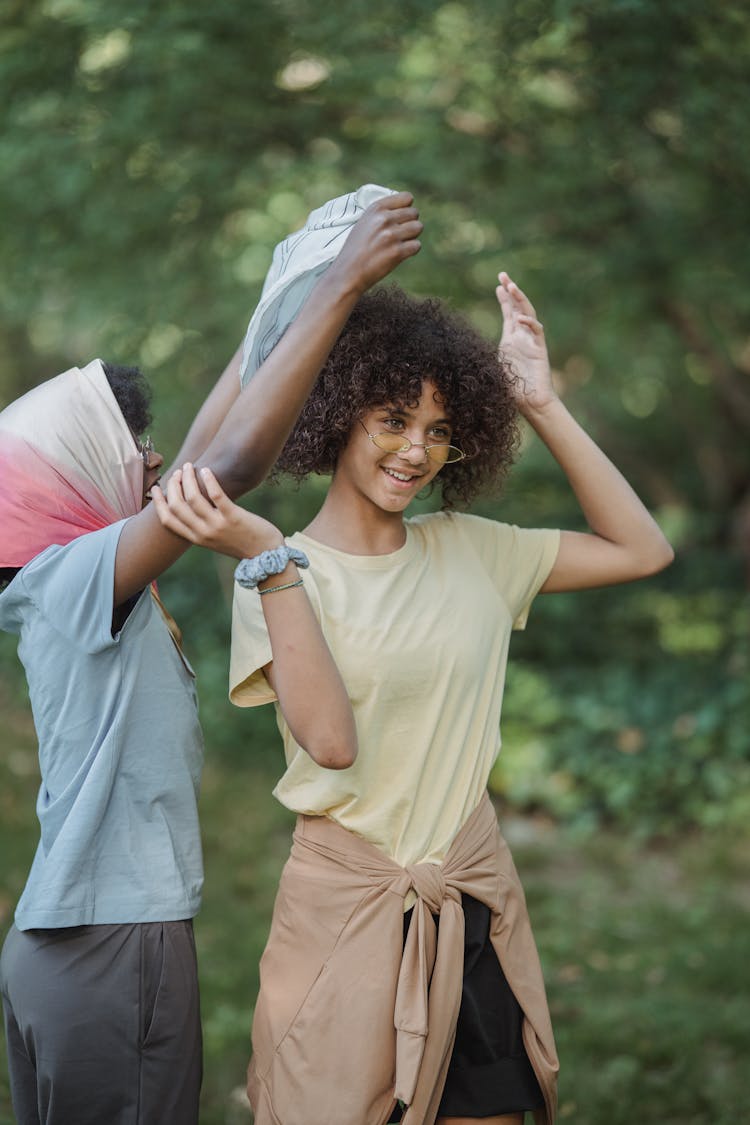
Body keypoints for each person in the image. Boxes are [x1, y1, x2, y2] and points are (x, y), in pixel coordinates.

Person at [153, 272, 674, 1125]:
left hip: (468, 903)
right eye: (392, 419)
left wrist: (540, 401)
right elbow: (328, 740)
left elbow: (642, 548)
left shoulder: (473, 549)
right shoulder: (274, 571)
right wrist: (273, 561)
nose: (415, 450)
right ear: (339, 415)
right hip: (345, 917)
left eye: (438, 429)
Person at [0, 190, 423, 1125]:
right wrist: (344, 280)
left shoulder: (67, 577)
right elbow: (222, 470)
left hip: (74, 947)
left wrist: (272, 311)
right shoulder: (74, 579)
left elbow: (197, 458)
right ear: (77, 478)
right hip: (114, 944)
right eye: (128, 450)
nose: (152, 466)